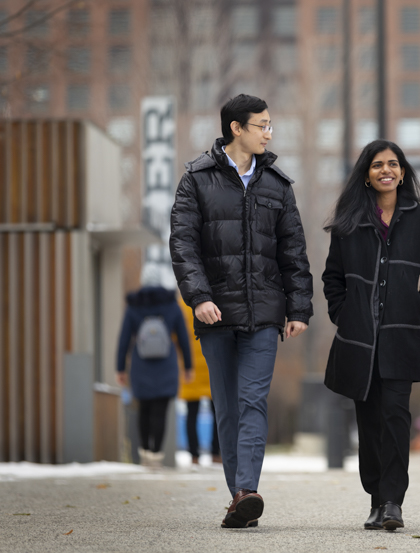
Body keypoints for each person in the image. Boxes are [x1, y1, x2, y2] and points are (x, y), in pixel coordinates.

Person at [169, 94, 313, 529]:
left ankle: (247, 489)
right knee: (228, 406)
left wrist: (299, 307)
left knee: (253, 400)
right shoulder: (196, 179)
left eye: (270, 125)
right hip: (216, 315)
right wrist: (200, 297)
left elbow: (294, 252)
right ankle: (239, 497)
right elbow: (183, 244)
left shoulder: (278, 185)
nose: (269, 132)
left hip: (265, 315)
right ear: (237, 128)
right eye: (262, 125)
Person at [322, 139, 420, 531]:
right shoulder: (350, 221)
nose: (386, 170)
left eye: (393, 164)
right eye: (377, 165)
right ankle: (376, 497)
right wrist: (344, 314)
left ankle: (393, 502)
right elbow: (332, 278)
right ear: (367, 174)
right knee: (370, 421)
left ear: (403, 172)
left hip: (401, 336)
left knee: (396, 417)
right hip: (359, 340)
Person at [116, 285, 193, 468]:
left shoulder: (134, 306)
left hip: (140, 365)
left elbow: (124, 339)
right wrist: (188, 366)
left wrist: (120, 368)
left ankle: (144, 453)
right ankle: (156, 455)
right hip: (166, 366)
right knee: (160, 411)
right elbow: (183, 336)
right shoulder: (172, 305)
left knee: (144, 409)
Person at [177, 295, 221, 467]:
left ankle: (194, 455)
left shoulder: (182, 304)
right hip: (213, 361)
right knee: (218, 410)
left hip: (190, 367)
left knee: (191, 412)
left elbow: (175, 335)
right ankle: (216, 452)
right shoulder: (214, 300)